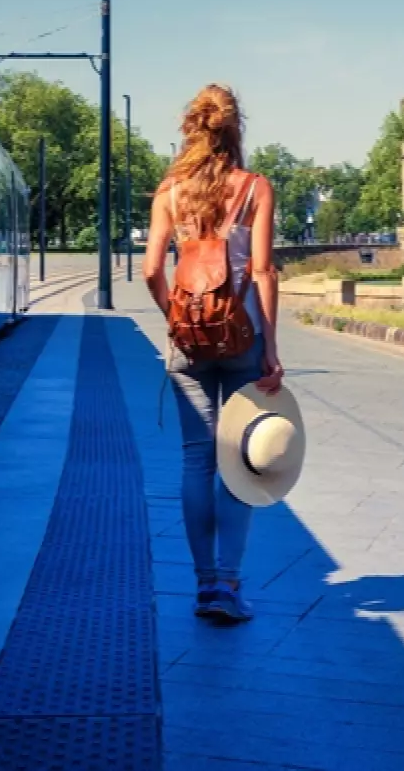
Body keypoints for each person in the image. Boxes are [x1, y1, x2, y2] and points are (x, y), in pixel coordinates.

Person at [143, 84, 283, 625]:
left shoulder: (169, 192)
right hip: (244, 339)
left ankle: (203, 585)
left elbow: (152, 271)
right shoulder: (255, 188)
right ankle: (228, 583)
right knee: (241, 462)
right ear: (235, 130)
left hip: (189, 343)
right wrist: (271, 348)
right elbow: (264, 271)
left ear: (192, 130)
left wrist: (176, 317)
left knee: (196, 460)